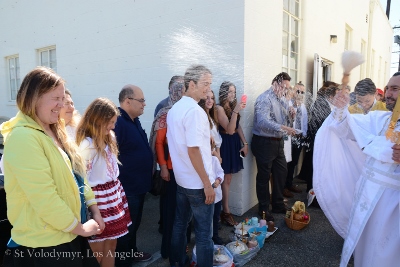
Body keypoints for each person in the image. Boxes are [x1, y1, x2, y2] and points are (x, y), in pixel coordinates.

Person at [0, 66, 103, 267]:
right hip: (45, 247)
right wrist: (80, 228)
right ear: (33, 98)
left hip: (69, 235)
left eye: (63, 98)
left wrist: (94, 208)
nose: (62, 104)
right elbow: (44, 197)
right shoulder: (23, 137)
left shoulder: (55, 130)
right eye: (56, 98)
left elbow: (78, 175)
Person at [314, 72, 400, 267]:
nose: (388, 93)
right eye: (388, 88)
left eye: (395, 89)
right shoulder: (382, 119)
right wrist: (340, 108)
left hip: (393, 212)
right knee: (365, 253)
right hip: (368, 201)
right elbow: (347, 129)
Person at [167, 65, 215, 267]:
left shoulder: (175, 108)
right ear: (191, 84)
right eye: (205, 84)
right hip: (197, 183)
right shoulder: (195, 111)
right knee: (204, 235)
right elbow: (193, 150)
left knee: (180, 224)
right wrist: (207, 183)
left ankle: (176, 262)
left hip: (182, 180)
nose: (208, 89)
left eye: (210, 84)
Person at [76, 98, 132, 267]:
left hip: (113, 195)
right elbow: (81, 177)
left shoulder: (109, 138)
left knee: (111, 244)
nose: (113, 127)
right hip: (98, 199)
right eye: (110, 122)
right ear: (99, 119)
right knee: (97, 251)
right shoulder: (87, 145)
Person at [148, 76, 188, 263]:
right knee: (171, 212)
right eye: (178, 89)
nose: (181, 93)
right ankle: (169, 250)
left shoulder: (189, 111)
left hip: (187, 171)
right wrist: (163, 167)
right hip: (171, 171)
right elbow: (158, 143)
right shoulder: (165, 112)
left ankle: (180, 247)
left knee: (184, 213)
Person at [114, 85, 153, 266]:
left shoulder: (134, 120)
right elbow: (111, 156)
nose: (144, 104)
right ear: (127, 101)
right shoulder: (118, 122)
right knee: (125, 229)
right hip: (127, 187)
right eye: (141, 100)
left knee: (134, 225)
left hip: (139, 186)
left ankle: (132, 253)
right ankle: (123, 261)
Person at [251, 72, 297, 222]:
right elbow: (262, 121)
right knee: (264, 177)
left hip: (278, 142)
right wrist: (283, 127)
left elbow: (286, 122)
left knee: (281, 172)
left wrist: (291, 115)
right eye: (284, 87)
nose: (285, 90)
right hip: (264, 142)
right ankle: (263, 209)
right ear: (275, 84)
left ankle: (277, 204)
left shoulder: (281, 99)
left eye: (287, 88)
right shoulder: (264, 98)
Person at [153, 75, 184, 235]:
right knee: (167, 198)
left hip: (182, 163)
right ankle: (164, 224)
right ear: (170, 88)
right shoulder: (163, 106)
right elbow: (159, 139)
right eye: (177, 87)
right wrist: (163, 166)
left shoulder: (186, 106)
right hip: (168, 159)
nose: (179, 90)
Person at [299, 81, 340, 194]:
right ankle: (312, 194)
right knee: (314, 169)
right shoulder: (321, 104)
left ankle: (316, 193)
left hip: (320, 141)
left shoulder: (325, 103)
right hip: (318, 142)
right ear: (330, 95)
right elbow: (318, 125)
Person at [216, 81, 248, 226]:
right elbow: (229, 129)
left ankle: (224, 211)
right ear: (223, 93)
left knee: (228, 178)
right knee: (223, 178)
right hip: (224, 143)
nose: (232, 94)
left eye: (234, 92)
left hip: (234, 142)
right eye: (229, 92)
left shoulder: (232, 107)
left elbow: (237, 126)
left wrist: (245, 143)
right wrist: (235, 111)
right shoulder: (219, 108)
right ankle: (225, 212)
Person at [284, 81, 308, 198]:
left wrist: (304, 134)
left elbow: (304, 121)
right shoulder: (288, 103)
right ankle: (284, 187)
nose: (300, 93)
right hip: (290, 137)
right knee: (287, 163)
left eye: (302, 92)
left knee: (294, 163)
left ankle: (289, 183)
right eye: (298, 91)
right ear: (294, 91)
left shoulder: (302, 105)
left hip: (299, 137)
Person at [199, 90, 222, 159]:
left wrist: (218, 155)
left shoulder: (212, 117)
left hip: (215, 155)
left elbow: (217, 139)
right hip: (207, 155)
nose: (210, 101)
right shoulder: (201, 117)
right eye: (207, 98)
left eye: (212, 98)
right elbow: (205, 140)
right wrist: (217, 155)